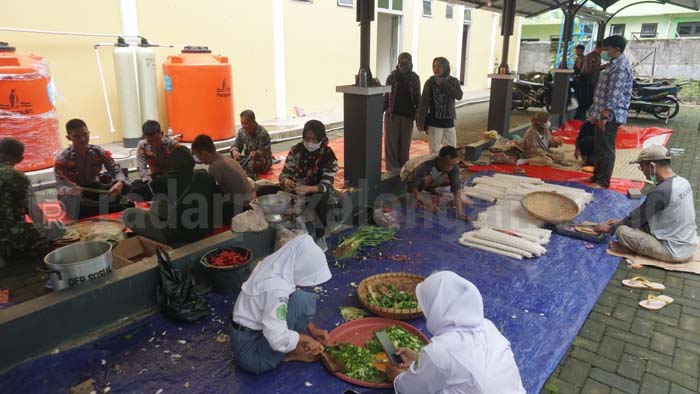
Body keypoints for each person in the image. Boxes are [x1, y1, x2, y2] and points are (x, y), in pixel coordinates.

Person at [386, 271, 526, 394]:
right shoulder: (487, 326)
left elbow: (410, 389)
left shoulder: (440, 351)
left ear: (436, 308)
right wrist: (420, 360)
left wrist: (396, 377)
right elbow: (459, 366)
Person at [230, 235, 332, 374]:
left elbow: (287, 298)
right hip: (251, 355)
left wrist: (312, 329)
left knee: (301, 299)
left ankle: (288, 348)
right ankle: (289, 354)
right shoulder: (276, 289)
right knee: (302, 301)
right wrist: (304, 338)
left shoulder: (277, 264)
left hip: (253, 332)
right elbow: (276, 339)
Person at [595, 145, 698, 263]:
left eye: (641, 167)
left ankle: (635, 250)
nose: (642, 171)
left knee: (621, 231)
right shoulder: (682, 181)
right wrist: (619, 221)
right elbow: (642, 217)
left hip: (674, 251)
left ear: (652, 166)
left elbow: (636, 219)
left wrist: (609, 228)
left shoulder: (662, 191)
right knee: (626, 224)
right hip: (688, 242)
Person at [121, 146, 214, 246]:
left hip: (178, 236)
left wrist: (123, 186)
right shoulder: (205, 175)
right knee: (158, 205)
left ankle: (167, 239)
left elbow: (135, 194)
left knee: (129, 214)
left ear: (172, 162)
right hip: (204, 230)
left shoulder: (165, 181)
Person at [278, 120, 340, 249]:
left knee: (320, 199)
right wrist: (286, 181)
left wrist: (309, 189)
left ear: (321, 138)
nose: (310, 142)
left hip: (316, 191)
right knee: (264, 191)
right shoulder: (296, 150)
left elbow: (326, 185)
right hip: (297, 190)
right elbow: (284, 174)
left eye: (314, 139)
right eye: (307, 138)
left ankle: (320, 236)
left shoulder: (328, 155)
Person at [54, 119, 132, 220]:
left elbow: (116, 171)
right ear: (69, 137)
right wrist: (70, 190)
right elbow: (60, 184)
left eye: (85, 134)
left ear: (89, 133)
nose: (82, 139)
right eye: (77, 136)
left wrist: (119, 183)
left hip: (96, 189)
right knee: (71, 203)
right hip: (77, 195)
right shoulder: (62, 158)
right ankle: (114, 207)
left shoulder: (98, 152)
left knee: (127, 187)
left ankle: (100, 206)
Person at [0, 138, 62, 263]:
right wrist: (51, 231)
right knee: (55, 230)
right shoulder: (14, 176)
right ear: (20, 159)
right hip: (5, 235)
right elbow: (33, 211)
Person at [586, 35, 633, 189]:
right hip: (601, 113)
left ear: (617, 49)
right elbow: (602, 92)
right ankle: (597, 176)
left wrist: (605, 115)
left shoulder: (620, 66)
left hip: (610, 115)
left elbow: (615, 93)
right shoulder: (613, 64)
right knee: (599, 147)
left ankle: (603, 181)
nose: (604, 51)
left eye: (607, 48)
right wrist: (595, 114)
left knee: (606, 149)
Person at [191, 134, 253, 223]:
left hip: (240, 209)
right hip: (248, 203)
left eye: (198, 156)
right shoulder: (226, 158)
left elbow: (209, 191)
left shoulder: (215, 166)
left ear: (204, 153)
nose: (199, 159)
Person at [401, 146, 469, 221]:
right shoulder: (425, 165)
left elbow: (456, 190)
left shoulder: (453, 165)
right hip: (408, 173)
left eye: (452, 165)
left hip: (429, 173)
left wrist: (460, 213)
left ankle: (429, 188)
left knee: (455, 179)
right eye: (447, 165)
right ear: (440, 160)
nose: (450, 168)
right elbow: (410, 187)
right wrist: (426, 202)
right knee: (426, 179)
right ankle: (417, 197)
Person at [417, 57, 464, 155]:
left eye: (439, 66)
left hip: (448, 120)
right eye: (434, 66)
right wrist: (421, 119)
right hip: (434, 121)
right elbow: (424, 102)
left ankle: (448, 168)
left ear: (445, 67)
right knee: (434, 149)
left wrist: (444, 84)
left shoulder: (453, 81)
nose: (436, 69)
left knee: (451, 147)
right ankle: (435, 168)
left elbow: (459, 96)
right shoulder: (430, 82)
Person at [384, 52, 421, 171]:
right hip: (392, 115)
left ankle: (404, 169)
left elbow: (417, 96)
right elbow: (386, 97)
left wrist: (419, 113)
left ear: (411, 63)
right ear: (398, 63)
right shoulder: (392, 77)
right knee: (391, 144)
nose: (404, 65)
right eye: (402, 62)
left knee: (405, 145)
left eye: (407, 62)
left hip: (408, 116)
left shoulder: (415, 78)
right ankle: (392, 170)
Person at [230, 110, 273, 177]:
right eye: (242, 123)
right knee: (228, 160)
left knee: (255, 164)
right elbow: (236, 144)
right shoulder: (242, 131)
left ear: (253, 121)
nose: (243, 126)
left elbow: (266, 151)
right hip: (248, 158)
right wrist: (234, 150)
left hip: (262, 159)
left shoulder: (262, 133)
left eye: (246, 123)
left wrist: (256, 153)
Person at [577, 42, 603, 117]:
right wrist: (602, 67)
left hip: (590, 79)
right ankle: (580, 116)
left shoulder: (598, 56)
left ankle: (583, 115)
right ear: (598, 48)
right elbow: (588, 69)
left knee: (590, 99)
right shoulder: (591, 56)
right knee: (585, 100)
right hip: (585, 78)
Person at [573, 44, 586, 119]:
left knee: (579, 97)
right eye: (576, 50)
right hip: (576, 79)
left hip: (580, 81)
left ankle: (579, 114)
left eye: (578, 50)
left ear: (581, 51)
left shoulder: (584, 59)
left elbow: (583, 70)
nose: (577, 52)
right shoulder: (577, 58)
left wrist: (577, 76)